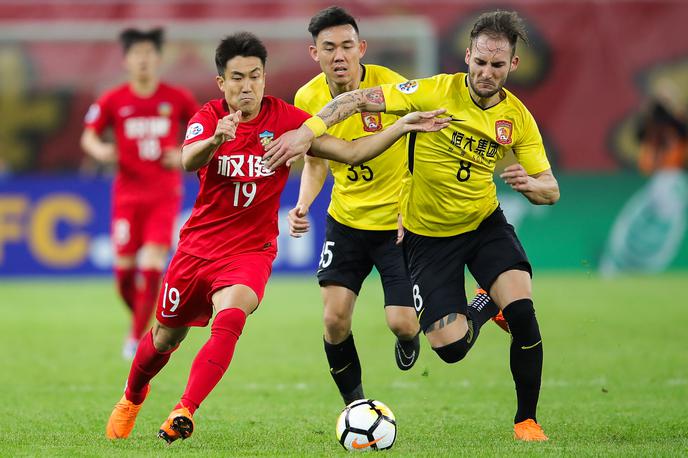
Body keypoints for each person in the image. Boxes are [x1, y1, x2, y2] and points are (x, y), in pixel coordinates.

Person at [104, 31, 449, 443]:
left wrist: (402, 126)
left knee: (230, 317)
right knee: (163, 338)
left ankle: (185, 409)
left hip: (251, 251)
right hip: (197, 249)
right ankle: (131, 397)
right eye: (237, 78)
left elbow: (351, 152)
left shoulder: (287, 119)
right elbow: (185, 159)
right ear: (222, 83)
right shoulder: (208, 117)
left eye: (254, 76)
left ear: (265, 78)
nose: (246, 86)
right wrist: (216, 140)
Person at [265, 10, 560, 441]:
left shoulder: (517, 118)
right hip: (421, 235)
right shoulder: (432, 91)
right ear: (467, 56)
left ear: (512, 65)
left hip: (479, 223)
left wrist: (532, 186)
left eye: (497, 65)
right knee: (449, 347)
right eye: (480, 62)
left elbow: (550, 188)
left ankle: (527, 421)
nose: (486, 72)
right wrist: (306, 135)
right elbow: (351, 106)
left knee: (524, 312)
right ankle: (483, 305)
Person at [288, 6, 423, 405]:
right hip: (345, 221)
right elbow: (315, 161)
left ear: (361, 48)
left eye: (347, 46)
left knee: (402, 323)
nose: (339, 55)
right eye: (329, 48)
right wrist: (302, 204)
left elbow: (424, 144)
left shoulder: (393, 88)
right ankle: (357, 406)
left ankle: (410, 337)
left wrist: (414, 203)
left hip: (396, 223)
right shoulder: (307, 97)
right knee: (333, 319)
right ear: (315, 53)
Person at [81, 28, 199, 359]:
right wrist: (101, 151)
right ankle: (152, 319)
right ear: (127, 59)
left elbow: (204, 131)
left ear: (158, 59)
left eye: (149, 53)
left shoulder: (177, 98)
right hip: (127, 197)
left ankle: (135, 339)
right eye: (137, 54)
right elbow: (88, 136)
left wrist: (180, 154)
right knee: (123, 277)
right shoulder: (112, 99)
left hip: (164, 194)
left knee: (150, 267)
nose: (144, 60)